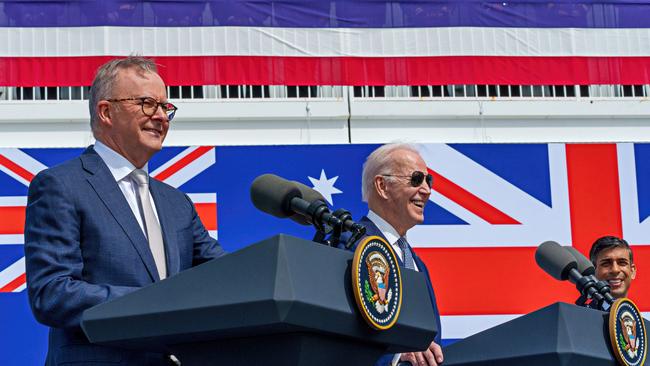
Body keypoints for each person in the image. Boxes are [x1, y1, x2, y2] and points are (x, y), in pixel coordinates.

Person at [24, 56, 225, 365]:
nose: (161, 116)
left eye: (165, 107)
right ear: (106, 111)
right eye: (147, 103)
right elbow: (53, 294)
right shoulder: (60, 185)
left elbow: (226, 275)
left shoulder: (177, 203)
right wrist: (156, 304)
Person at [343, 143, 443, 366]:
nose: (426, 190)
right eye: (416, 179)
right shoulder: (348, 244)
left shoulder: (418, 265)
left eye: (429, 180)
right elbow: (337, 332)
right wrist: (397, 357)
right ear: (382, 186)